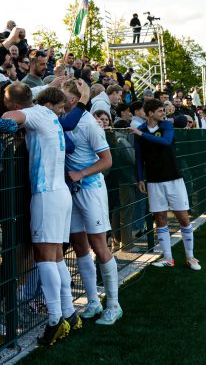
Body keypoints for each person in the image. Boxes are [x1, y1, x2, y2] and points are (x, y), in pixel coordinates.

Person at [2, 84, 79, 347]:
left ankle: (55, 319)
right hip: (60, 193)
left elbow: (8, 118)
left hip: (46, 194)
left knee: (45, 258)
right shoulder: (48, 115)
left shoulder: (35, 113)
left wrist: (5, 121)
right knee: (56, 256)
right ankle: (69, 312)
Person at [61, 80, 122, 325]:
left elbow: (107, 160)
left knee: (99, 245)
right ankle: (93, 301)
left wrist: (81, 173)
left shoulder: (89, 124)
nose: (58, 96)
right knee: (79, 245)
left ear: (73, 99)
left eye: (62, 93)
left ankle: (114, 305)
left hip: (91, 190)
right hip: (72, 191)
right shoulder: (62, 118)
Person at [132, 99, 201, 270]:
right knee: (160, 218)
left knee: (183, 218)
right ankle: (168, 258)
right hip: (154, 181)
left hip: (173, 178)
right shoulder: (140, 130)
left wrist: (141, 135)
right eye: (160, 111)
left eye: (164, 110)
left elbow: (166, 142)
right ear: (150, 113)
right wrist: (140, 178)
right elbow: (139, 158)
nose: (164, 113)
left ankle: (190, 257)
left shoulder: (166, 127)